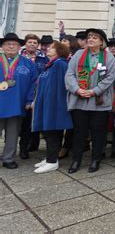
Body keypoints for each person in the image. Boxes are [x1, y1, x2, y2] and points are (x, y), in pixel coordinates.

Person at [65, 28, 115, 173]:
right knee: (79, 133)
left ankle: (95, 160)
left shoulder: (108, 57)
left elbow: (110, 77)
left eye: (95, 37)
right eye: (89, 37)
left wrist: (95, 91)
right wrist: (77, 89)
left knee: (98, 133)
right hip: (79, 101)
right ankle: (76, 160)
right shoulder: (78, 55)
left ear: (101, 42)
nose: (91, 39)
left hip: (99, 103)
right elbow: (69, 74)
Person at [32, 41, 72, 173]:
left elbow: (63, 85)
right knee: (48, 131)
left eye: (52, 48)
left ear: (59, 51)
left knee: (53, 131)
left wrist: (58, 103)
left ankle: (52, 161)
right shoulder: (49, 65)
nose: (48, 49)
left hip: (55, 104)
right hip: (46, 103)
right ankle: (51, 157)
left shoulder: (60, 64)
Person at [0, 33, 38, 169]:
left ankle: (8, 158)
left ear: (19, 47)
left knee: (13, 133)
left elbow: (34, 84)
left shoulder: (28, 63)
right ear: (2, 46)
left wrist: (29, 100)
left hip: (17, 105)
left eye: (14, 44)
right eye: (8, 44)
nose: (11, 46)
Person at [19, 33, 48, 158]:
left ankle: (27, 147)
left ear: (38, 45)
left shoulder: (43, 58)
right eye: (30, 42)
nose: (32, 44)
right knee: (20, 122)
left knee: (31, 120)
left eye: (35, 43)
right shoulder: (19, 57)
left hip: (38, 93)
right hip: (20, 93)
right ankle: (19, 146)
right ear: (25, 43)